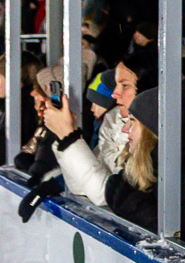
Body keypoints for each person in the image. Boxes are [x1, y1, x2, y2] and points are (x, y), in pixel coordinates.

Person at [105, 82, 185, 258]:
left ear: (153, 129)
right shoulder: (155, 170)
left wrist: (135, 206)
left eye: (132, 121)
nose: (125, 129)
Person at [43, 51, 157, 206]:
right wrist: (64, 134)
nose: (115, 93)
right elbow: (80, 187)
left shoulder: (153, 132)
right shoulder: (113, 120)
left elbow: (106, 195)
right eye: (116, 84)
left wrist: (68, 136)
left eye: (124, 85)